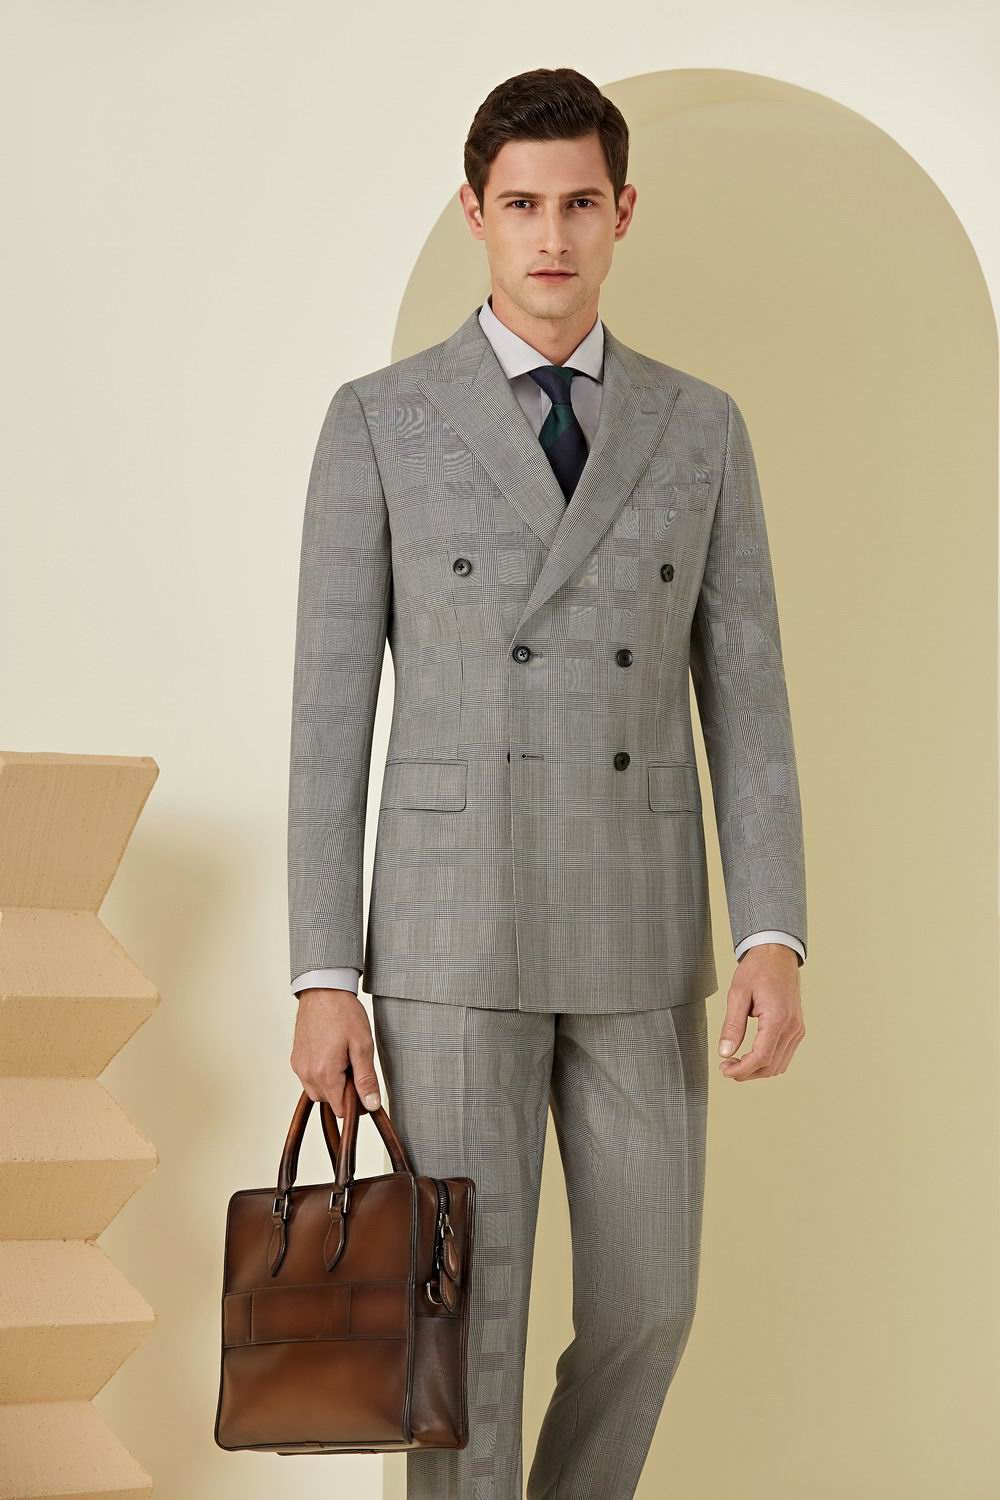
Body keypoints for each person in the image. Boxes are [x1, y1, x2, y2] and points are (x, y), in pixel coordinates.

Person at [287, 65, 807, 1500]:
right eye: (521, 205)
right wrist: (324, 972)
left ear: (624, 211)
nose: (552, 236)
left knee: (651, 1304)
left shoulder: (700, 426)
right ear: (477, 213)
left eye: (580, 204)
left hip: (641, 925)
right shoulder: (381, 420)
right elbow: (329, 717)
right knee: (462, 1330)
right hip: (451, 937)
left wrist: (773, 929)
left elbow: (750, 701)